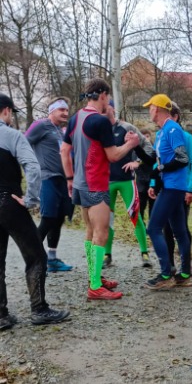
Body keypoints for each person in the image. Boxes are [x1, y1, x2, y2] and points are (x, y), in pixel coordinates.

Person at [60, 78, 139, 301]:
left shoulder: (76, 118)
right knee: (101, 232)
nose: (108, 101)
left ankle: (94, 277)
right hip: (96, 184)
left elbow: (64, 151)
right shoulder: (99, 121)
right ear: (103, 94)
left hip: (79, 184)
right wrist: (131, 144)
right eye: (108, 97)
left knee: (90, 231)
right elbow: (113, 155)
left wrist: (69, 178)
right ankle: (95, 286)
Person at [0, 93, 70, 329]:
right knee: (36, 256)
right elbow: (32, 167)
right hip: (9, 201)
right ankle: (39, 309)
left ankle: (1, 315)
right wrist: (30, 199)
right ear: (6, 110)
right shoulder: (12, 135)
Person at [143, 94, 191, 289]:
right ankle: (185, 274)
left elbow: (182, 159)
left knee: (153, 228)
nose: (149, 111)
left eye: (150, 107)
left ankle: (166, 274)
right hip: (169, 186)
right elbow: (156, 162)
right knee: (179, 231)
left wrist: (161, 169)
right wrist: (154, 183)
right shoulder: (162, 131)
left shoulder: (172, 128)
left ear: (157, 109)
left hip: (174, 187)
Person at [102, 102, 155, 269]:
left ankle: (144, 253)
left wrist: (138, 162)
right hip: (106, 182)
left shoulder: (126, 127)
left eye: (106, 107)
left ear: (113, 108)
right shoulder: (98, 129)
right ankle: (107, 255)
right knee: (106, 220)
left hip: (126, 180)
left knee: (135, 216)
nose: (102, 110)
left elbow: (147, 146)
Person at [25, 97, 74, 273]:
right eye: (61, 110)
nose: (65, 113)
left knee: (59, 218)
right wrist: (31, 167)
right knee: (48, 218)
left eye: (67, 110)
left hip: (62, 179)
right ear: (51, 111)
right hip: (47, 178)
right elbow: (23, 143)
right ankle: (33, 260)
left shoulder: (60, 130)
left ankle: (52, 259)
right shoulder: (40, 125)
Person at [159, 102, 192, 280]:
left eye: (170, 115)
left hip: (182, 189)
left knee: (181, 229)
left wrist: (190, 189)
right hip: (166, 188)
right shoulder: (160, 135)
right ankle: (170, 266)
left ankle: (186, 267)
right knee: (166, 228)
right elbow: (157, 161)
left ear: (176, 117)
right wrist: (154, 183)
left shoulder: (186, 137)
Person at [136, 130, 154, 222]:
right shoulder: (136, 151)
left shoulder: (154, 150)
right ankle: (141, 226)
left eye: (147, 136)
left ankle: (152, 226)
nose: (146, 138)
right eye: (143, 136)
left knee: (153, 206)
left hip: (152, 182)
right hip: (141, 182)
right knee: (140, 207)